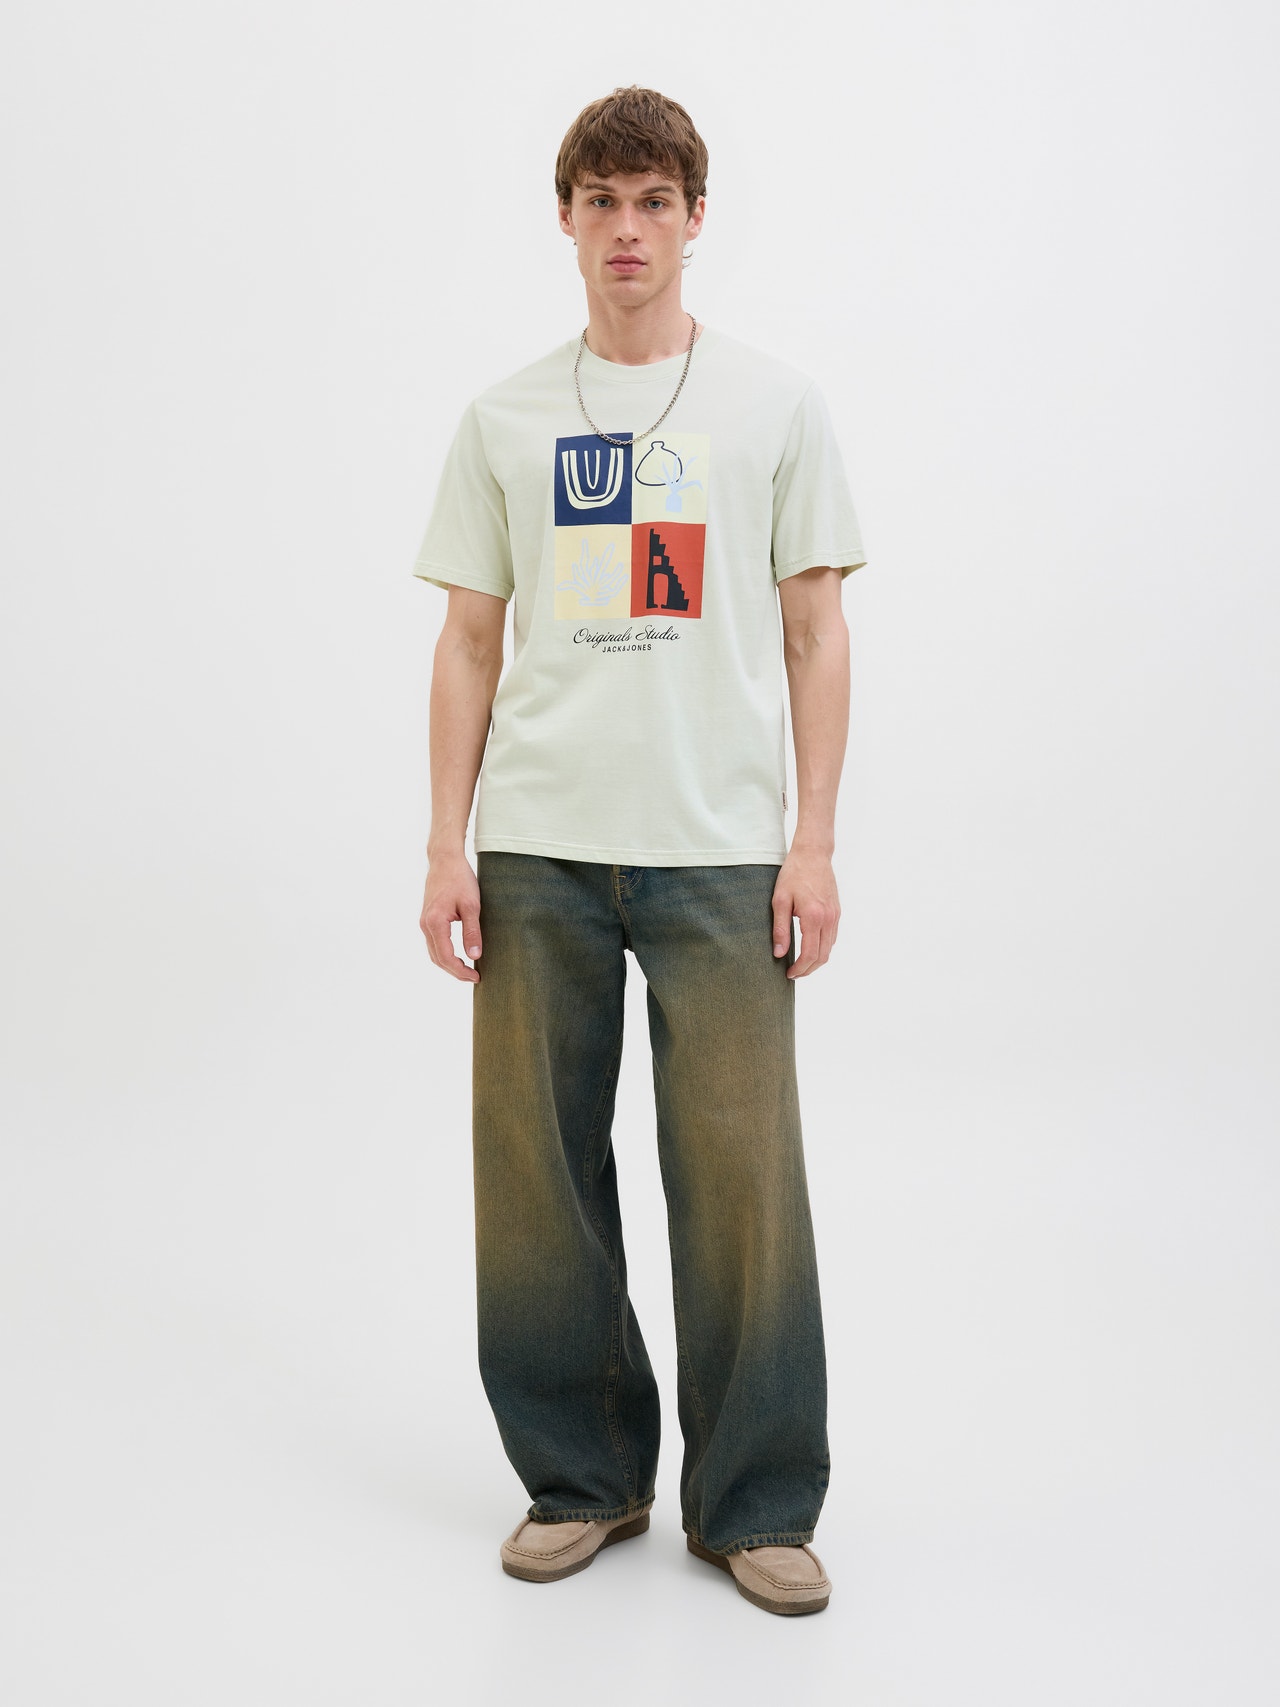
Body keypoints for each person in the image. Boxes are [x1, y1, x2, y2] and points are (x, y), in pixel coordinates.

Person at [411, 85, 867, 1617]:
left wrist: (813, 840)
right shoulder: (504, 419)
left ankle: (757, 1502)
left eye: (653, 200)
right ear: (565, 218)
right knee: (536, 1177)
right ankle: (582, 1477)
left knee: (742, 1180)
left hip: (720, 849)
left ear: (694, 219)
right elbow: (469, 643)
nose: (626, 227)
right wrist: (445, 843)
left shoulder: (775, 408)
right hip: (537, 847)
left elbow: (816, 631)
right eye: (600, 199)